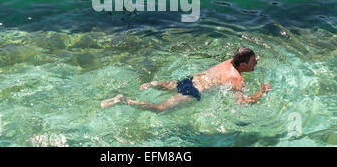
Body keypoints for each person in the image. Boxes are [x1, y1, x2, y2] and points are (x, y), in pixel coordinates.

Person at [101, 47, 271, 112]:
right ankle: (125, 101)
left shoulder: (229, 61)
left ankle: (153, 85)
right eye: (253, 61)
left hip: (190, 80)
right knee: (159, 108)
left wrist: (254, 57)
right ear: (242, 65)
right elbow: (241, 103)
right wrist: (261, 93)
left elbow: (242, 57)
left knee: (173, 86)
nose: (256, 63)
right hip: (194, 92)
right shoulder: (237, 79)